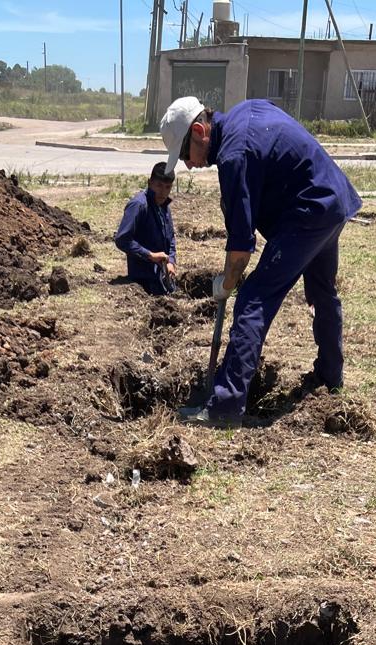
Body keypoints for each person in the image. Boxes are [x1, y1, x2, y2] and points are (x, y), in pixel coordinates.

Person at [159, 95, 362, 425]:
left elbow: (241, 247)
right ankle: (330, 377)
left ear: (199, 130)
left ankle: (224, 406)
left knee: (253, 299)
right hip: (331, 200)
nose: (188, 164)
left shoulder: (233, 156)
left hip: (308, 213)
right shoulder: (246, 111)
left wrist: (225, 285)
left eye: (184, 154)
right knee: (322, 291)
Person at [114, 162, 178, 296]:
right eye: (159, 186)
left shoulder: (164, 206)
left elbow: (171, 238)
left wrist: (171, 261)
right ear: (150, 183)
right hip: (142, 280)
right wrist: (149, 255)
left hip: (161, 278)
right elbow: (122, 239)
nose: (163, 192)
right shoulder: (139, 205)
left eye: (167, 187)